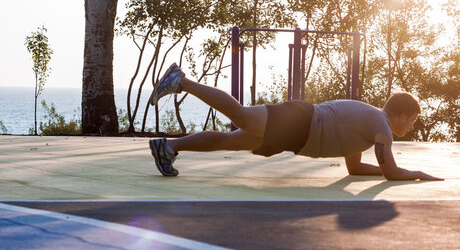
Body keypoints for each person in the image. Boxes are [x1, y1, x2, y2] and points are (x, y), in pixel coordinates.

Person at [148, 63, 443, 181]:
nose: (412, 127)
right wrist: (415, 172)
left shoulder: (367, 130)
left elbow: (354, 169)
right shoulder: (380, 125)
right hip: (301, 122)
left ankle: (169, 148)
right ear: (401, 115)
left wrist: (386, 171)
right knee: (240, 115)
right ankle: (181, 81)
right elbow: (389, 170)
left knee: (232, 140)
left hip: (299, 136)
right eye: (413, 121)